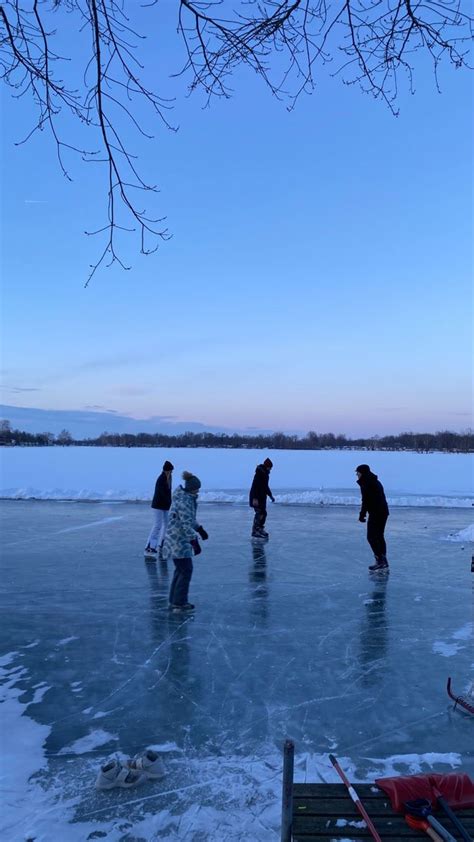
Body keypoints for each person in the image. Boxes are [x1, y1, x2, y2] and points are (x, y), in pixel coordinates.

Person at [162, 471, 208, 612]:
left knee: (181, 570)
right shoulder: (185, 501)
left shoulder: (184, 498)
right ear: (192, 488)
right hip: (178, 541)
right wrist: (194, 542)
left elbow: (189, 519)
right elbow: (186, 525)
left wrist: (200, 529)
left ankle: (174, 600)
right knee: (186, 570)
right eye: (197, 488)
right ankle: (179, 602)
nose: (198, 491)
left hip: (175, 540)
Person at [356, 464, 390, 571]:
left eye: (358, 473)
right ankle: (383, 560)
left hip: (377, 513)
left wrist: (362, 514)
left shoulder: (367, 483)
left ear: (363, 473)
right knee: (379, 536)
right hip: (383, 512)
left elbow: (365, 500)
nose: (357, 475)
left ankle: (380, 560)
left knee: (371, 537)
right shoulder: (374, 481)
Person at [144, 460, 174, 558]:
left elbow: (168, 493)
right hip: (158, 506)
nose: (171, 472)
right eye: (170, 471)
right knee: (157, 526)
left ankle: (162, 543)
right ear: (167, 470)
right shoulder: (161, 479)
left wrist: (170, 503)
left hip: (165, 505)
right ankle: (150, 547)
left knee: (167, 524)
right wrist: (169, 502)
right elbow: (162, 494)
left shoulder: (169, 478)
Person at [249, 458, 275, 539]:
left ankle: (260, 528)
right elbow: (255, 486)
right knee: (259, 513)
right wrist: (255, 498)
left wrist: (270, 495)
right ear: (267, 466)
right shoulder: (259, 474)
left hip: (262, 497)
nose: (270, 469)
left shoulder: (265, 474)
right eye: (270, 467)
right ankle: (255, 530)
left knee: (263, 513)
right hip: (256, 497)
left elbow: (265, 487)